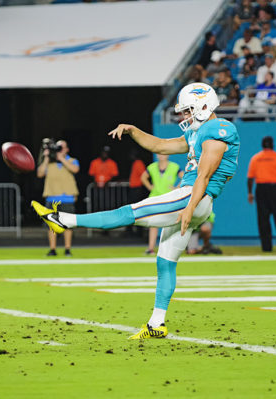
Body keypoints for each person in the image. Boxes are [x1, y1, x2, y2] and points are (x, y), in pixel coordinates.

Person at [32, 82, 239, 339]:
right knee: (165, 262)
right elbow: (161, 145)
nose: (184, 116)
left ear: (204, 106)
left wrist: (190, 208)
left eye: (187, 110)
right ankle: (157, 323)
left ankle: (63, 219)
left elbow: (205, 175)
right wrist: (133, 130)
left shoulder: (219, 129)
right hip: (195, 199)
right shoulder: (200, 132)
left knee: (131, 211)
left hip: (193, 196)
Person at [37, 140, 79, 257]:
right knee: (52, 225)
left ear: (67, 149)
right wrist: (46, 158)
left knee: (68, 225)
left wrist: (62, 159)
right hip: (52, 197)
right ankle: (53, 249)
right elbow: (40, 174)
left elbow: (75, 169)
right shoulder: (49, 163)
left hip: (67, 198)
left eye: (62, 147)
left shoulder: (72, 160)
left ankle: (67, 249)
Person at [140, 154, 181, 255]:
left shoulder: (174, 166)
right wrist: (150, 187)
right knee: (153, 223)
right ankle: (150, 248)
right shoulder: (152, 167)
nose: (161, 155)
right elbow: (143, 177)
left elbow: (184, 177)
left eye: (163, 153)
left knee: (169, 223)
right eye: (159, 153)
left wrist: (177, 188)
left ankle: (169, 249)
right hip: (154, 198)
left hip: (169, 198)